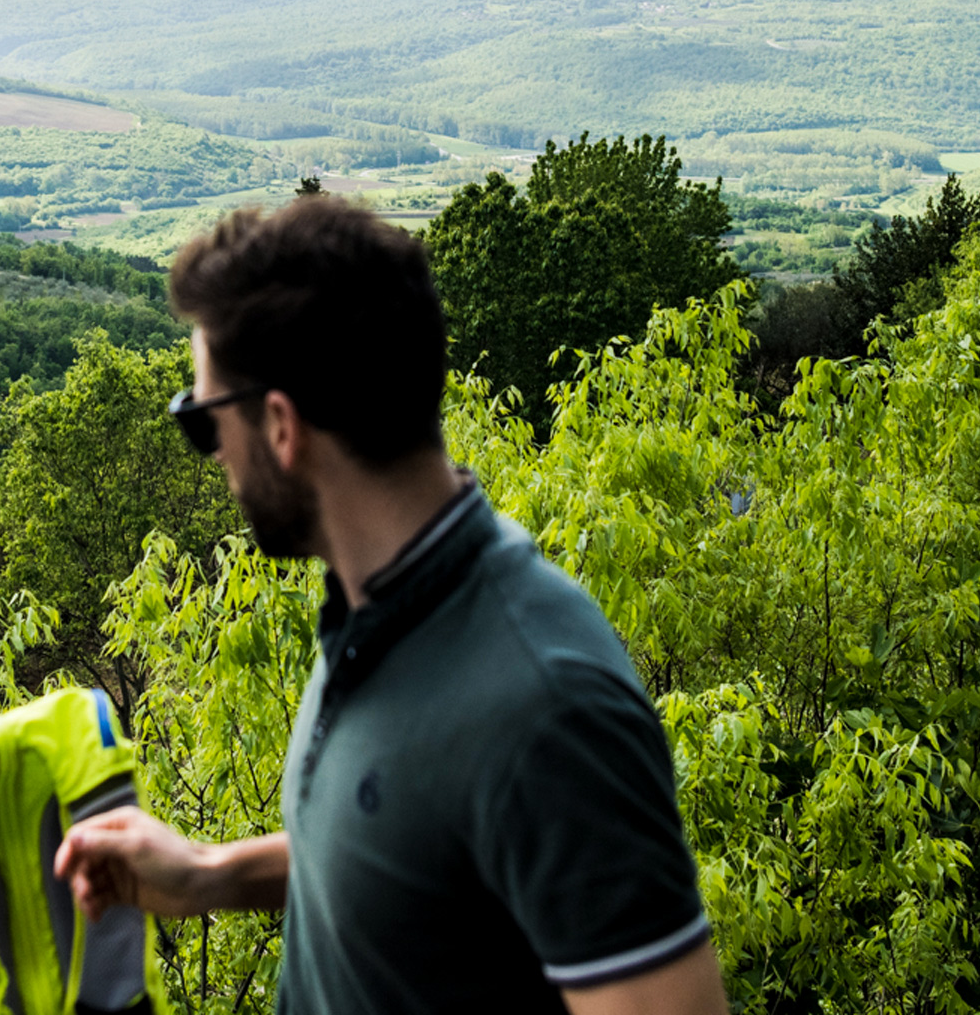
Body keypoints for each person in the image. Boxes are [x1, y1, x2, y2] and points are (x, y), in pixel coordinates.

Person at [54, 198, 730, 1015]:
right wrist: (211, 876)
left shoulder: (546, 706)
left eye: (202, 424)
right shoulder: (379, 606)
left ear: (278, 426)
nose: (214, 463)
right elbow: (417, 858)